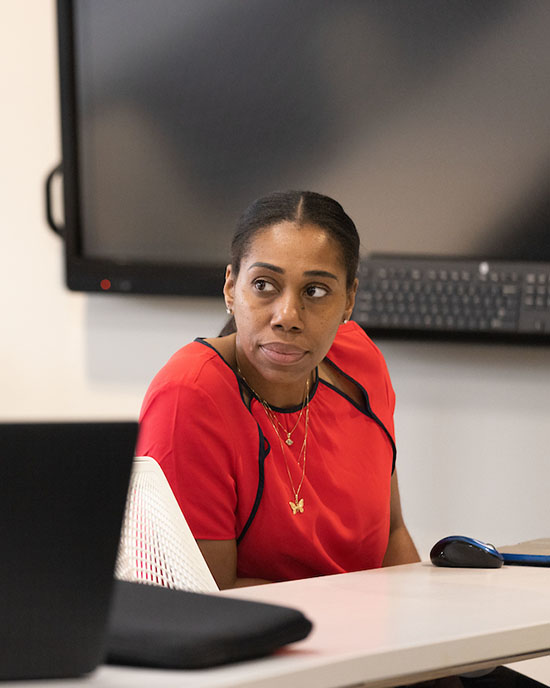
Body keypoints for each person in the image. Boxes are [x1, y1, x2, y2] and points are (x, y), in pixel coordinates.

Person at [136, 190, 419, 589]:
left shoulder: (360, 362)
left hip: (372, 636)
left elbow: (393, 538)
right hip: (262, 644)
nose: (287, 317)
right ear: (231, 288)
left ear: (349, 300)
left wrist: (425, 631)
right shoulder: (191, 394)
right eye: (265, 285)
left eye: (315, 291)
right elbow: (206, 597)